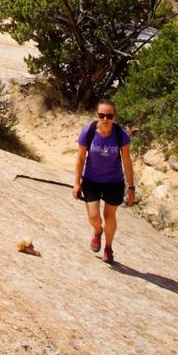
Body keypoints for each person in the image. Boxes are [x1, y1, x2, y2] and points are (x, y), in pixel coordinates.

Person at [72, 98, 135, 264]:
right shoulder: (89, 132)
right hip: (91, 179)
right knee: (94, 217)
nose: (105, 119)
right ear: (97, 115)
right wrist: (77, 183)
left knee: (109, 215)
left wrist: (131, 187)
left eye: (109, 116)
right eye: (102, 115)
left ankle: (108, 247)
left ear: (114, 116)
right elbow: (80, 158)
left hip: (114, 182)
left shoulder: (121, 135)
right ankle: (97, 231)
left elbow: (127, 161)